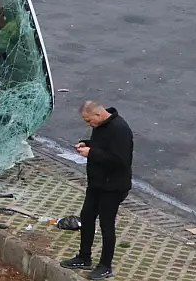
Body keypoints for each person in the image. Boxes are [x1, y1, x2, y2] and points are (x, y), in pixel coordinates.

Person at [61, 101, 134, 280]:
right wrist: (86, 144)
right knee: (86, 217)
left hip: (113, 186)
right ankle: (84, 256)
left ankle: (105, 265)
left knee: (106, 225)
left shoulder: (120, 129)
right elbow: (101, 146)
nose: (88, 124)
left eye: (88, 121)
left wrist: (91, 153)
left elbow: (120, 160)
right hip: (96, 183)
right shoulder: (101, 126)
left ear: (98, 115)